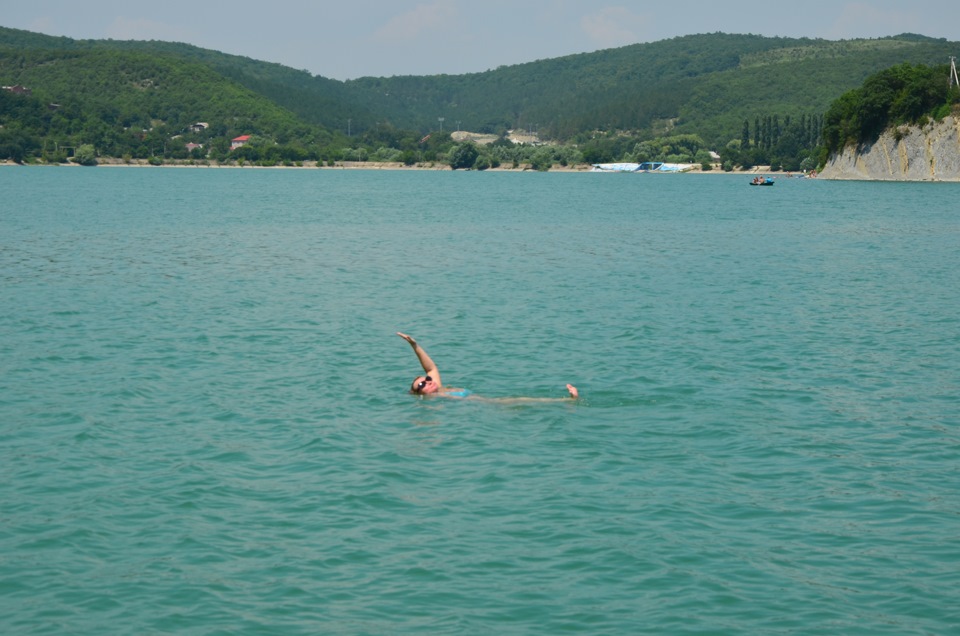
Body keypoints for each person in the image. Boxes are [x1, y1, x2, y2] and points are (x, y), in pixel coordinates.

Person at [397, 332, 579, 402]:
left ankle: (566, 400)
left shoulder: (439, 387)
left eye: (426, 380)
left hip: (481, 398)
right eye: (421, 385)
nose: (427, 382)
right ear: (421, 395)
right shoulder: (436, 398)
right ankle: (565, 401)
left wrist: (414, 345)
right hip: (483, 404)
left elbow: (430, 368)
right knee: (518, 401)